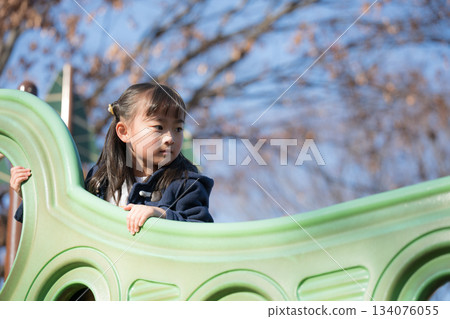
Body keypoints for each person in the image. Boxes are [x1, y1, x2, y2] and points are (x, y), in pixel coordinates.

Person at [11, 83, 214, 234]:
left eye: (178, 128)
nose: (170, 138)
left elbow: (201, 231)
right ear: (124, 132)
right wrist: (30, 193)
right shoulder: (100, 180)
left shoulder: (186, 183)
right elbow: (65, 220)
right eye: (159, 127)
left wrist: (160, 215)